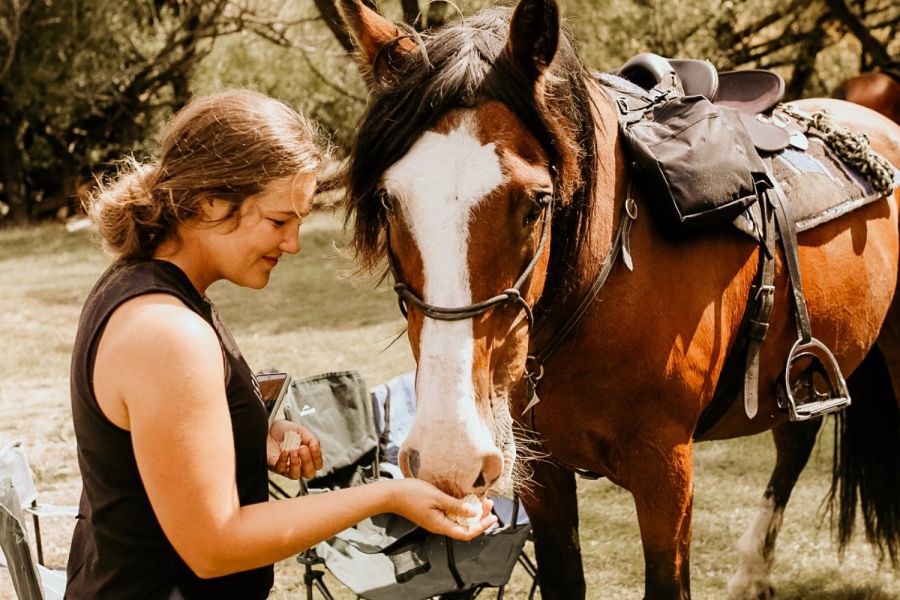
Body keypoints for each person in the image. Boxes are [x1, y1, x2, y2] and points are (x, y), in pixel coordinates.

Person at [66, 89, 496, 599]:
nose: (292, 244)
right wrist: (387, 496)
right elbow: (213, 546)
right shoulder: (168, 333)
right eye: (278, 221)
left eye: (299, 222)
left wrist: (249, 437)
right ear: (210, 203)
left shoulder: (148, 290)